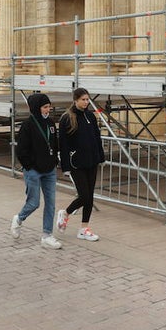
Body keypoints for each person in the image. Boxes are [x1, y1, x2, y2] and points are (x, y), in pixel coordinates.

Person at [9, 93, 62, 249]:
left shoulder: (51, 124)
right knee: (34, 203)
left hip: (49, 170)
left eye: (49, 107)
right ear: (36, 108)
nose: (48, 110)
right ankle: (19, 218)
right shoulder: (28, 125)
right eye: (45, 107)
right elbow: (21, 150)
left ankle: (47, 235)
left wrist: (55, 161)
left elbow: (54, 144)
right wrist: (30, 166)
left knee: (51, 203)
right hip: (33, 171)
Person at [56, 87, 106, 241]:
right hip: (77, 163)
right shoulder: (67, 118)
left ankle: (84, 228)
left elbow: (97, 137)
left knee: (90, 196)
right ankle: (65, 213)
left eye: (87, 99)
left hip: (92, 161)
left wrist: (101, 157)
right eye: (83, 100)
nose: (86, 102)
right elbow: (63, 144)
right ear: (75, 100)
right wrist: (65, 166)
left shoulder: (90, 116)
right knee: (84, 196)